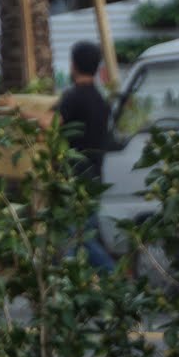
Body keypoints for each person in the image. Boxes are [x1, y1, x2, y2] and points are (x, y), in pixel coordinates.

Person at [57, 40, 115, 270]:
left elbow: (51, 124)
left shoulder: (73, 97)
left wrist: (18, 109)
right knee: (83, 233)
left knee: (79, 236)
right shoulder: (101, 100)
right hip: (95, 175)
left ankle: (113, 277)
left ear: (74, 66)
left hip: (77, 177)